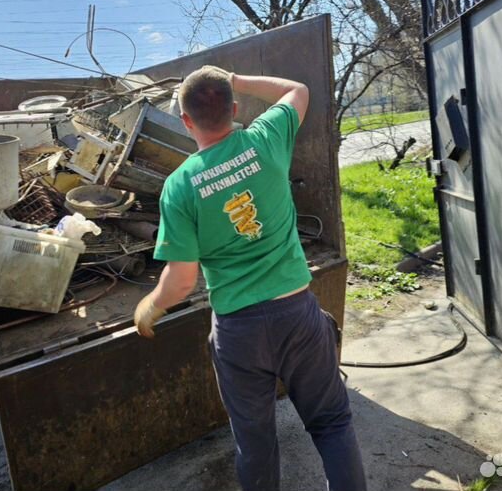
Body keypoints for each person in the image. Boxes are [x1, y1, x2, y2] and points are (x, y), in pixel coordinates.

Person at [134, 66, 367, 491]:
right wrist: (236, 78)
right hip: (298, 314)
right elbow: (298, 86)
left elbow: (182, 281)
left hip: (239, 332)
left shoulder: (180, 185)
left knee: (255, 442)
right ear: (235, 109)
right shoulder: (265, 139)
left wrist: (152, 305)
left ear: (185, 121)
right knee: (332, 423)